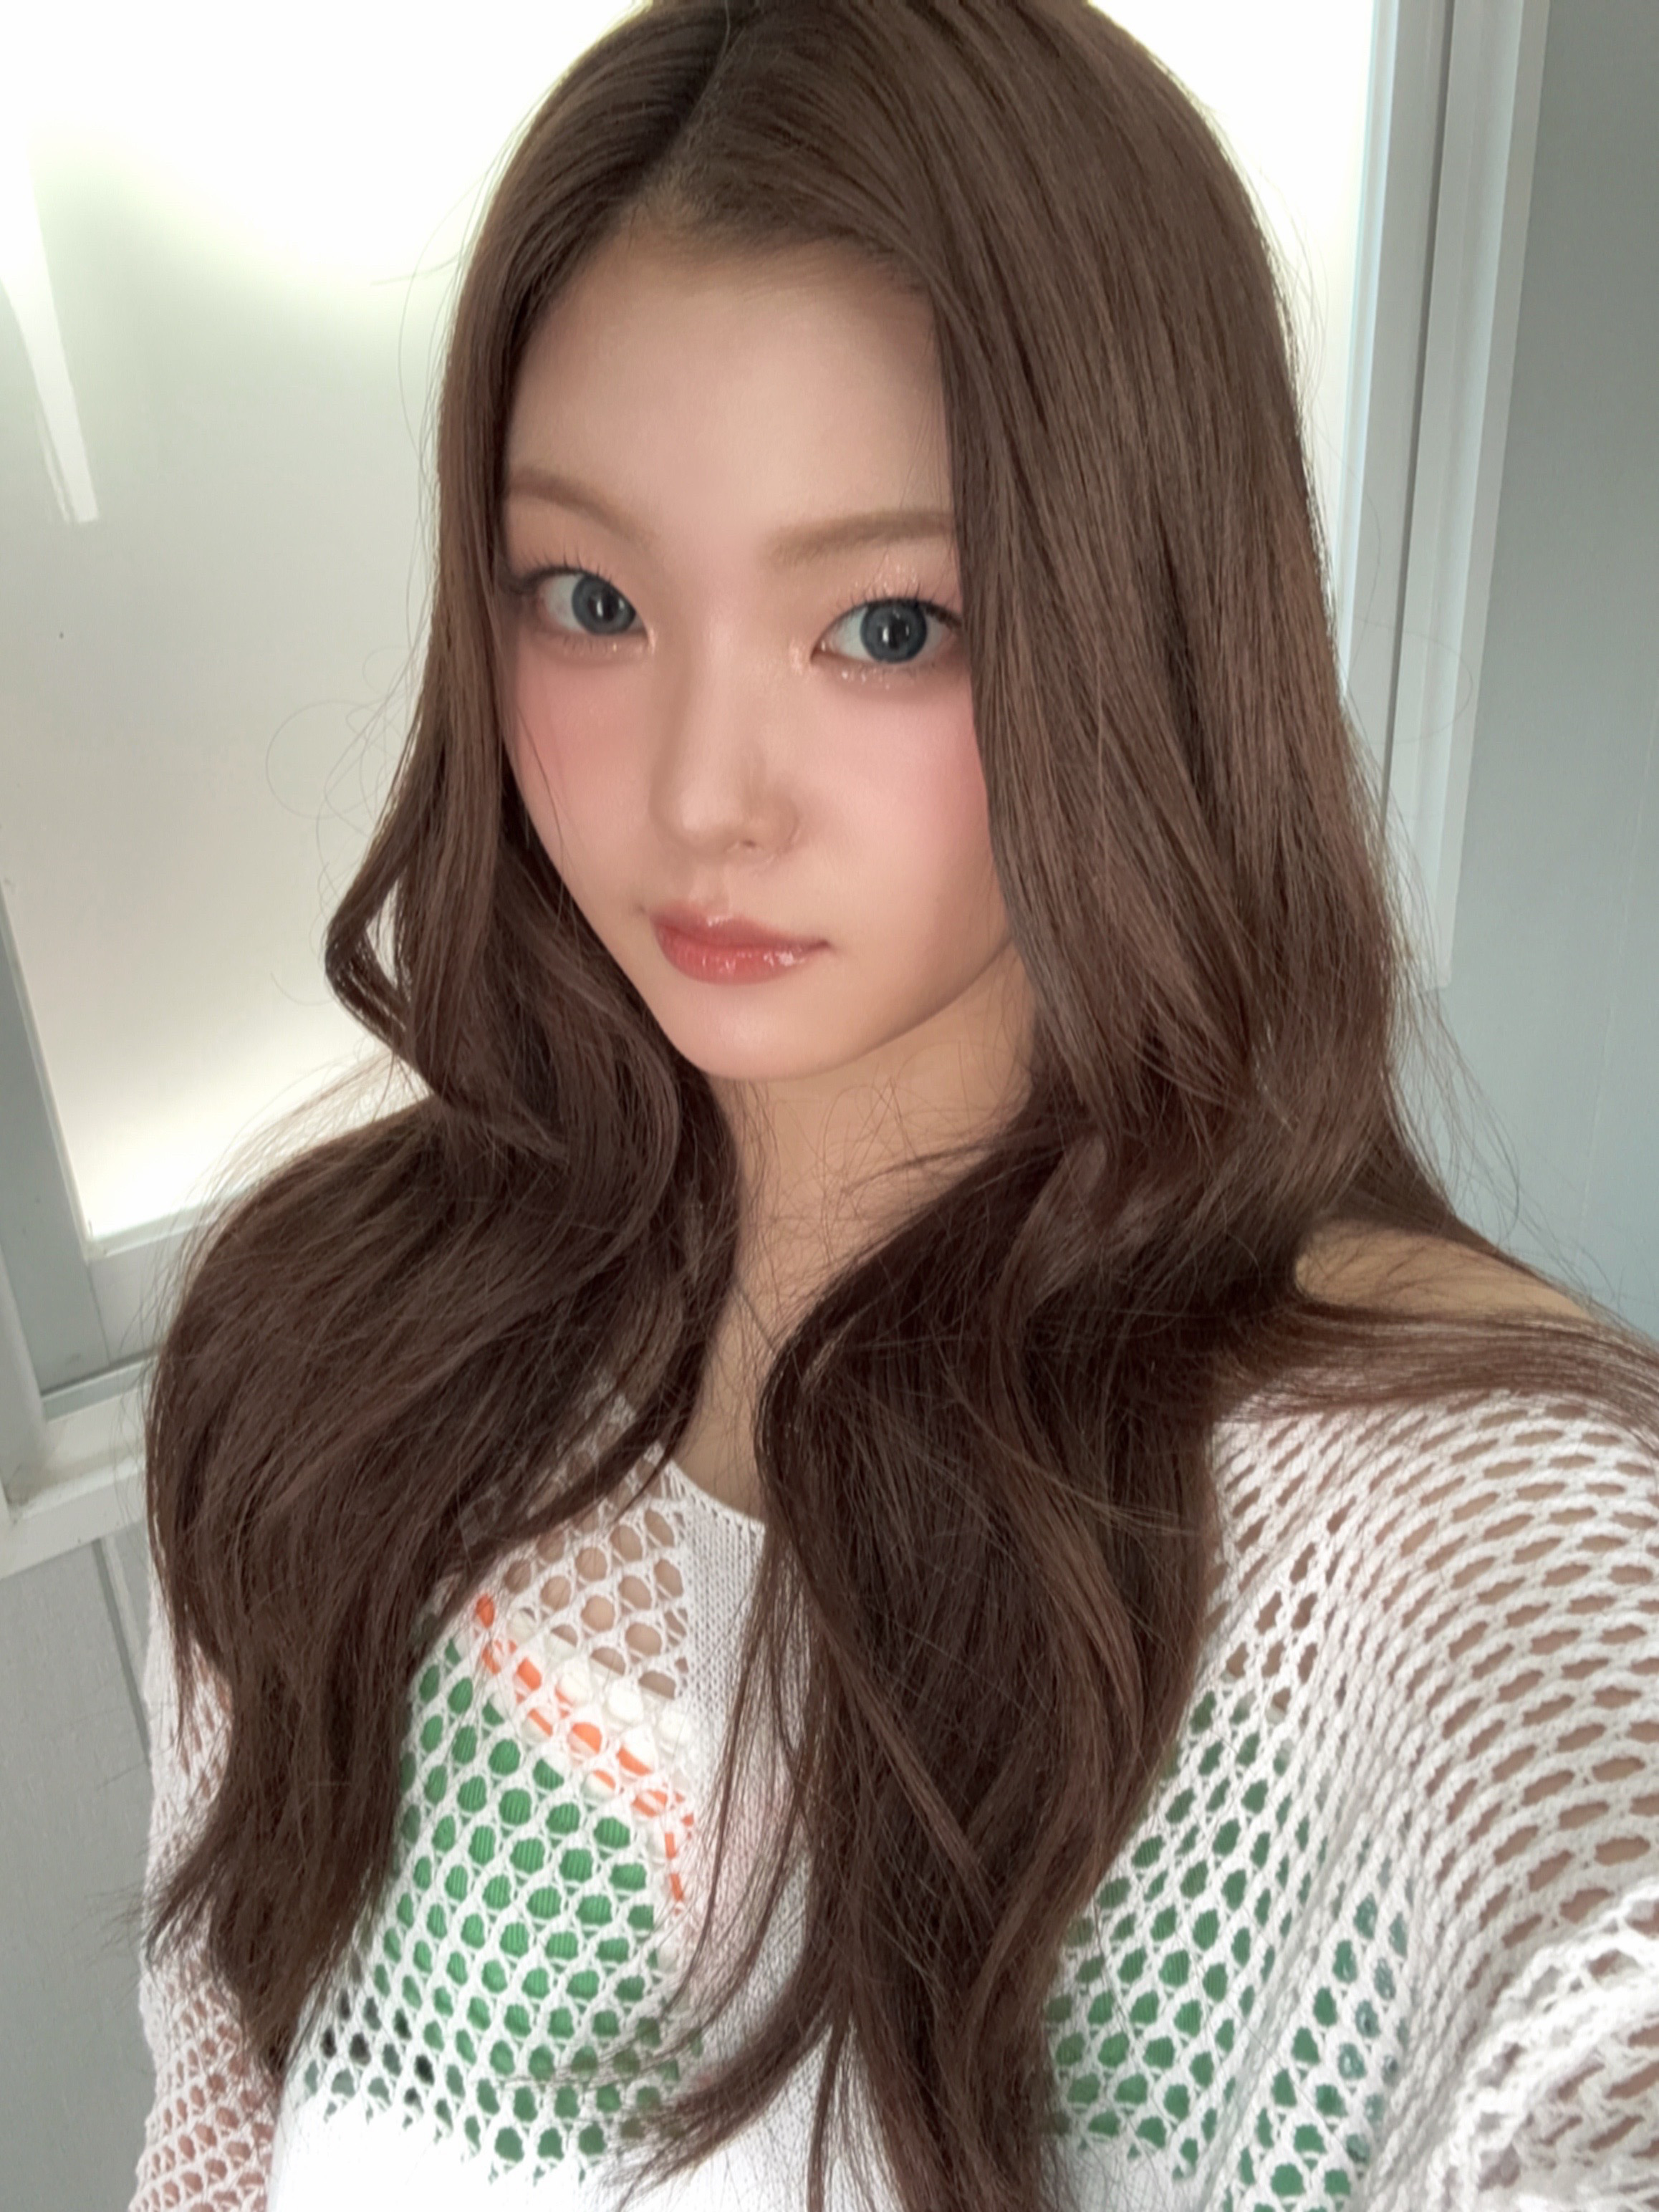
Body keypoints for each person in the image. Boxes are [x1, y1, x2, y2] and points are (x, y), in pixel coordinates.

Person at [129, 4, 1659, 2208]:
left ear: (1141, 629)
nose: (699, 798)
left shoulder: (1426, 1514)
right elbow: (209, 2124)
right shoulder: (321, 1346)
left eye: (885, 628)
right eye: (590, 600)